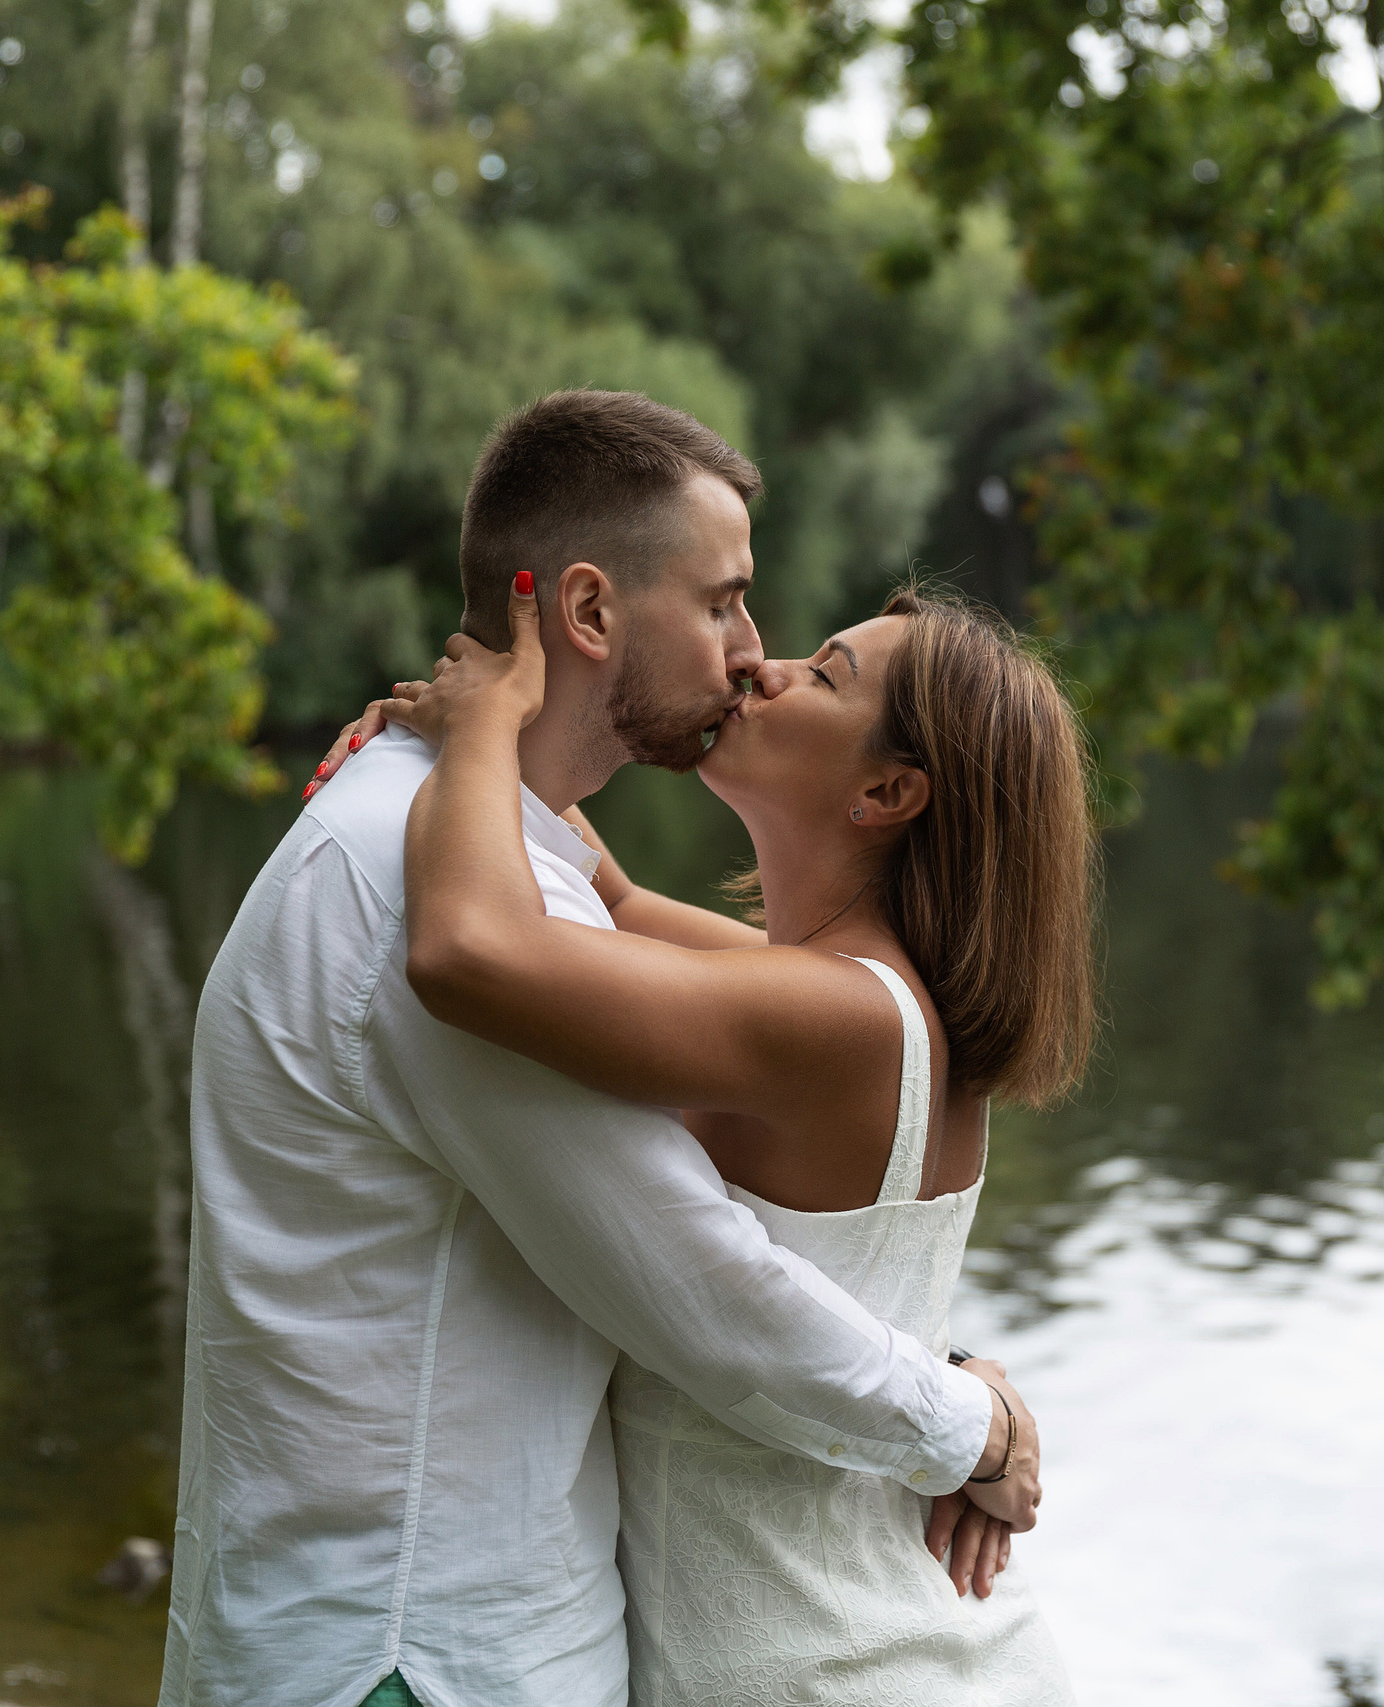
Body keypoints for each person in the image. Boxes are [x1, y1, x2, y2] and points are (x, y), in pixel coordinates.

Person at [160, 391, 1041, 1707]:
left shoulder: (487, 852)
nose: (755, 652)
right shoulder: (445, 876)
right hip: (414, 1655)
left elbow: (674, 965)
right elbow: (705, 1286)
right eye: (727, 601)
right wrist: (976, 1424)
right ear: (587, 614)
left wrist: (485, 756)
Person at [352, 567, 1100, 1704]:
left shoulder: (836, 1018)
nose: (763, 663)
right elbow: (610, 902)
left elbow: (469, 954)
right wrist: (504, 737)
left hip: (841, 1672)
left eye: (824, 675)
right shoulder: (847, 998)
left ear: (886, 792)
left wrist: (482, 730)